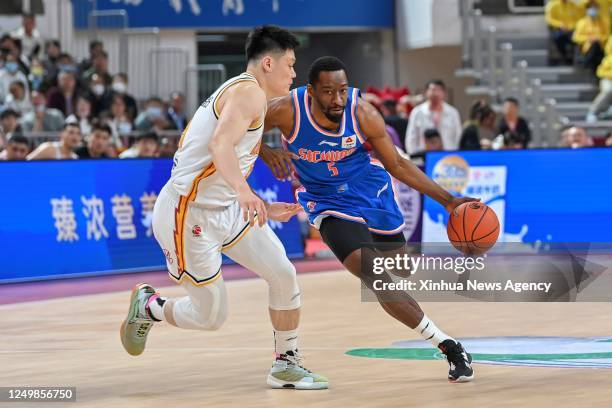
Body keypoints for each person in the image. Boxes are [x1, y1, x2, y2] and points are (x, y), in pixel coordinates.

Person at [119, 25, 328, 390]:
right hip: (189, 214)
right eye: (290, 64)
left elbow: (226, 140)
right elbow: (219, 145)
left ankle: (286, 363)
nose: (294, 73)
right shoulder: (248, 92)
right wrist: (246, 191)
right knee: (211, 315)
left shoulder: (249, 94)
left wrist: (254, 197)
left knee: (282, 271)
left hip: (227, 208)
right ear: (267, 63)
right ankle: (150, 307)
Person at [262, 56, 477, 383]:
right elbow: (240, 128)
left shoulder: (362, 112)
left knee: (402, 267)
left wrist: (448, 201)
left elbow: (398, 165)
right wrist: (265, 151)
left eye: (342, 91)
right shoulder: (285, 110)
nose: (337, 99)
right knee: (375, 275)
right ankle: (448, 345)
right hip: (326, 200)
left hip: (370, 192)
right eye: (328, 92)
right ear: (311, 92)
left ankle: (393, 262)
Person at [405, 80, 462, 154]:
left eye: (438, 90)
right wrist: (413, 155)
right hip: (423, 155)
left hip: (448, 154)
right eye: (432, 90)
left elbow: (458, 135)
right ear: (426, 92)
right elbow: (411, 136)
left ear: (444, 93)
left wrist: (456, 153)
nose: (435, 93)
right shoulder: (417, 112)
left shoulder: (452, 112)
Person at [573, 1, 609, 72]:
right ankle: (589, 64)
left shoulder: (603, 22)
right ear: (587, 9)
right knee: (594, 47)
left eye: (595, 8)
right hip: (587, 48)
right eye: (591, 8)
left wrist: (599, 38)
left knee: (596, 46)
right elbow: (576, 37)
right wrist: (589, 38)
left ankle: (586, 63)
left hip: (601, 47)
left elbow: (607, 35)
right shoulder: (582, 22)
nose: (593, 9)